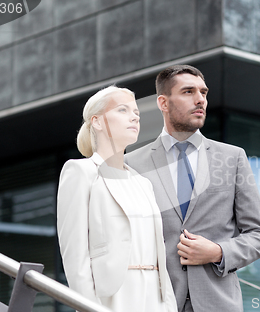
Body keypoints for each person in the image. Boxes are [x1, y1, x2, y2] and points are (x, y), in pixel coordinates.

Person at [125, 65, 260, 312]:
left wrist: (217, 251)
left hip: (219, 304)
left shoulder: (233, 157)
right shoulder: (132, 163)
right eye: (188, 92)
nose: (200, 100)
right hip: (155, 303)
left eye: (203, 92)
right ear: (163, 102)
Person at [56, 86, 177, 312]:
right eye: (123, 110)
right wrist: (87, 306)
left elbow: (158, 253)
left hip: (154, 298)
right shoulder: (80, 172)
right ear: (98, 122)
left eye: (137, 113)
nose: (134, 117)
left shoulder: (143, 183)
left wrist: (169, 305)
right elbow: (75, 255)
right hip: (111, 298)